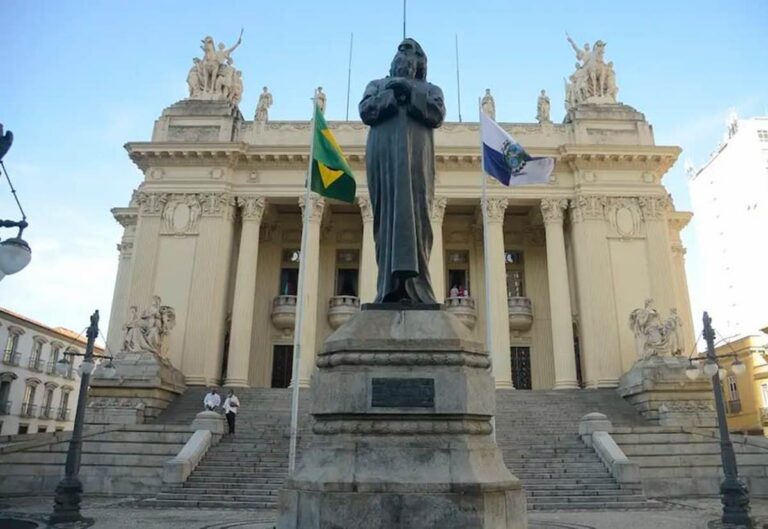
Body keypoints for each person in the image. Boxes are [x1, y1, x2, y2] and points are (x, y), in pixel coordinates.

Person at [359, 38, 445, 303]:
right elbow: (366, 111)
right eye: (400, 54)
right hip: (384, 161)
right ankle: (388, 287)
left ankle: (417, 288)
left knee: (418, 218)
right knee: (386, 220)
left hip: (416, 160)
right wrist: (393, 94)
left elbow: (437, 114)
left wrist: (410, 92)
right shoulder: (377, 85)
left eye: (411, 55)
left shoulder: (430, 89)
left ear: (420, 65)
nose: (404, 58)